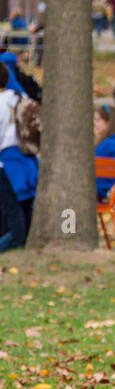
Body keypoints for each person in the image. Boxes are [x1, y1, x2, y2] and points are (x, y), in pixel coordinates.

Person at [0, 64, 38, 252]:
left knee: (11, 210)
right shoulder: (20, 97)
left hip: (7, 163)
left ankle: (13, 245)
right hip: (28, 160)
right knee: (25, 207)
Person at [94, 103, 115, 202]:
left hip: (97, 192)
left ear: (109, 122)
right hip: (105, 192)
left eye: (98, 120)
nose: (94, 123)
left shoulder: (108, 145)